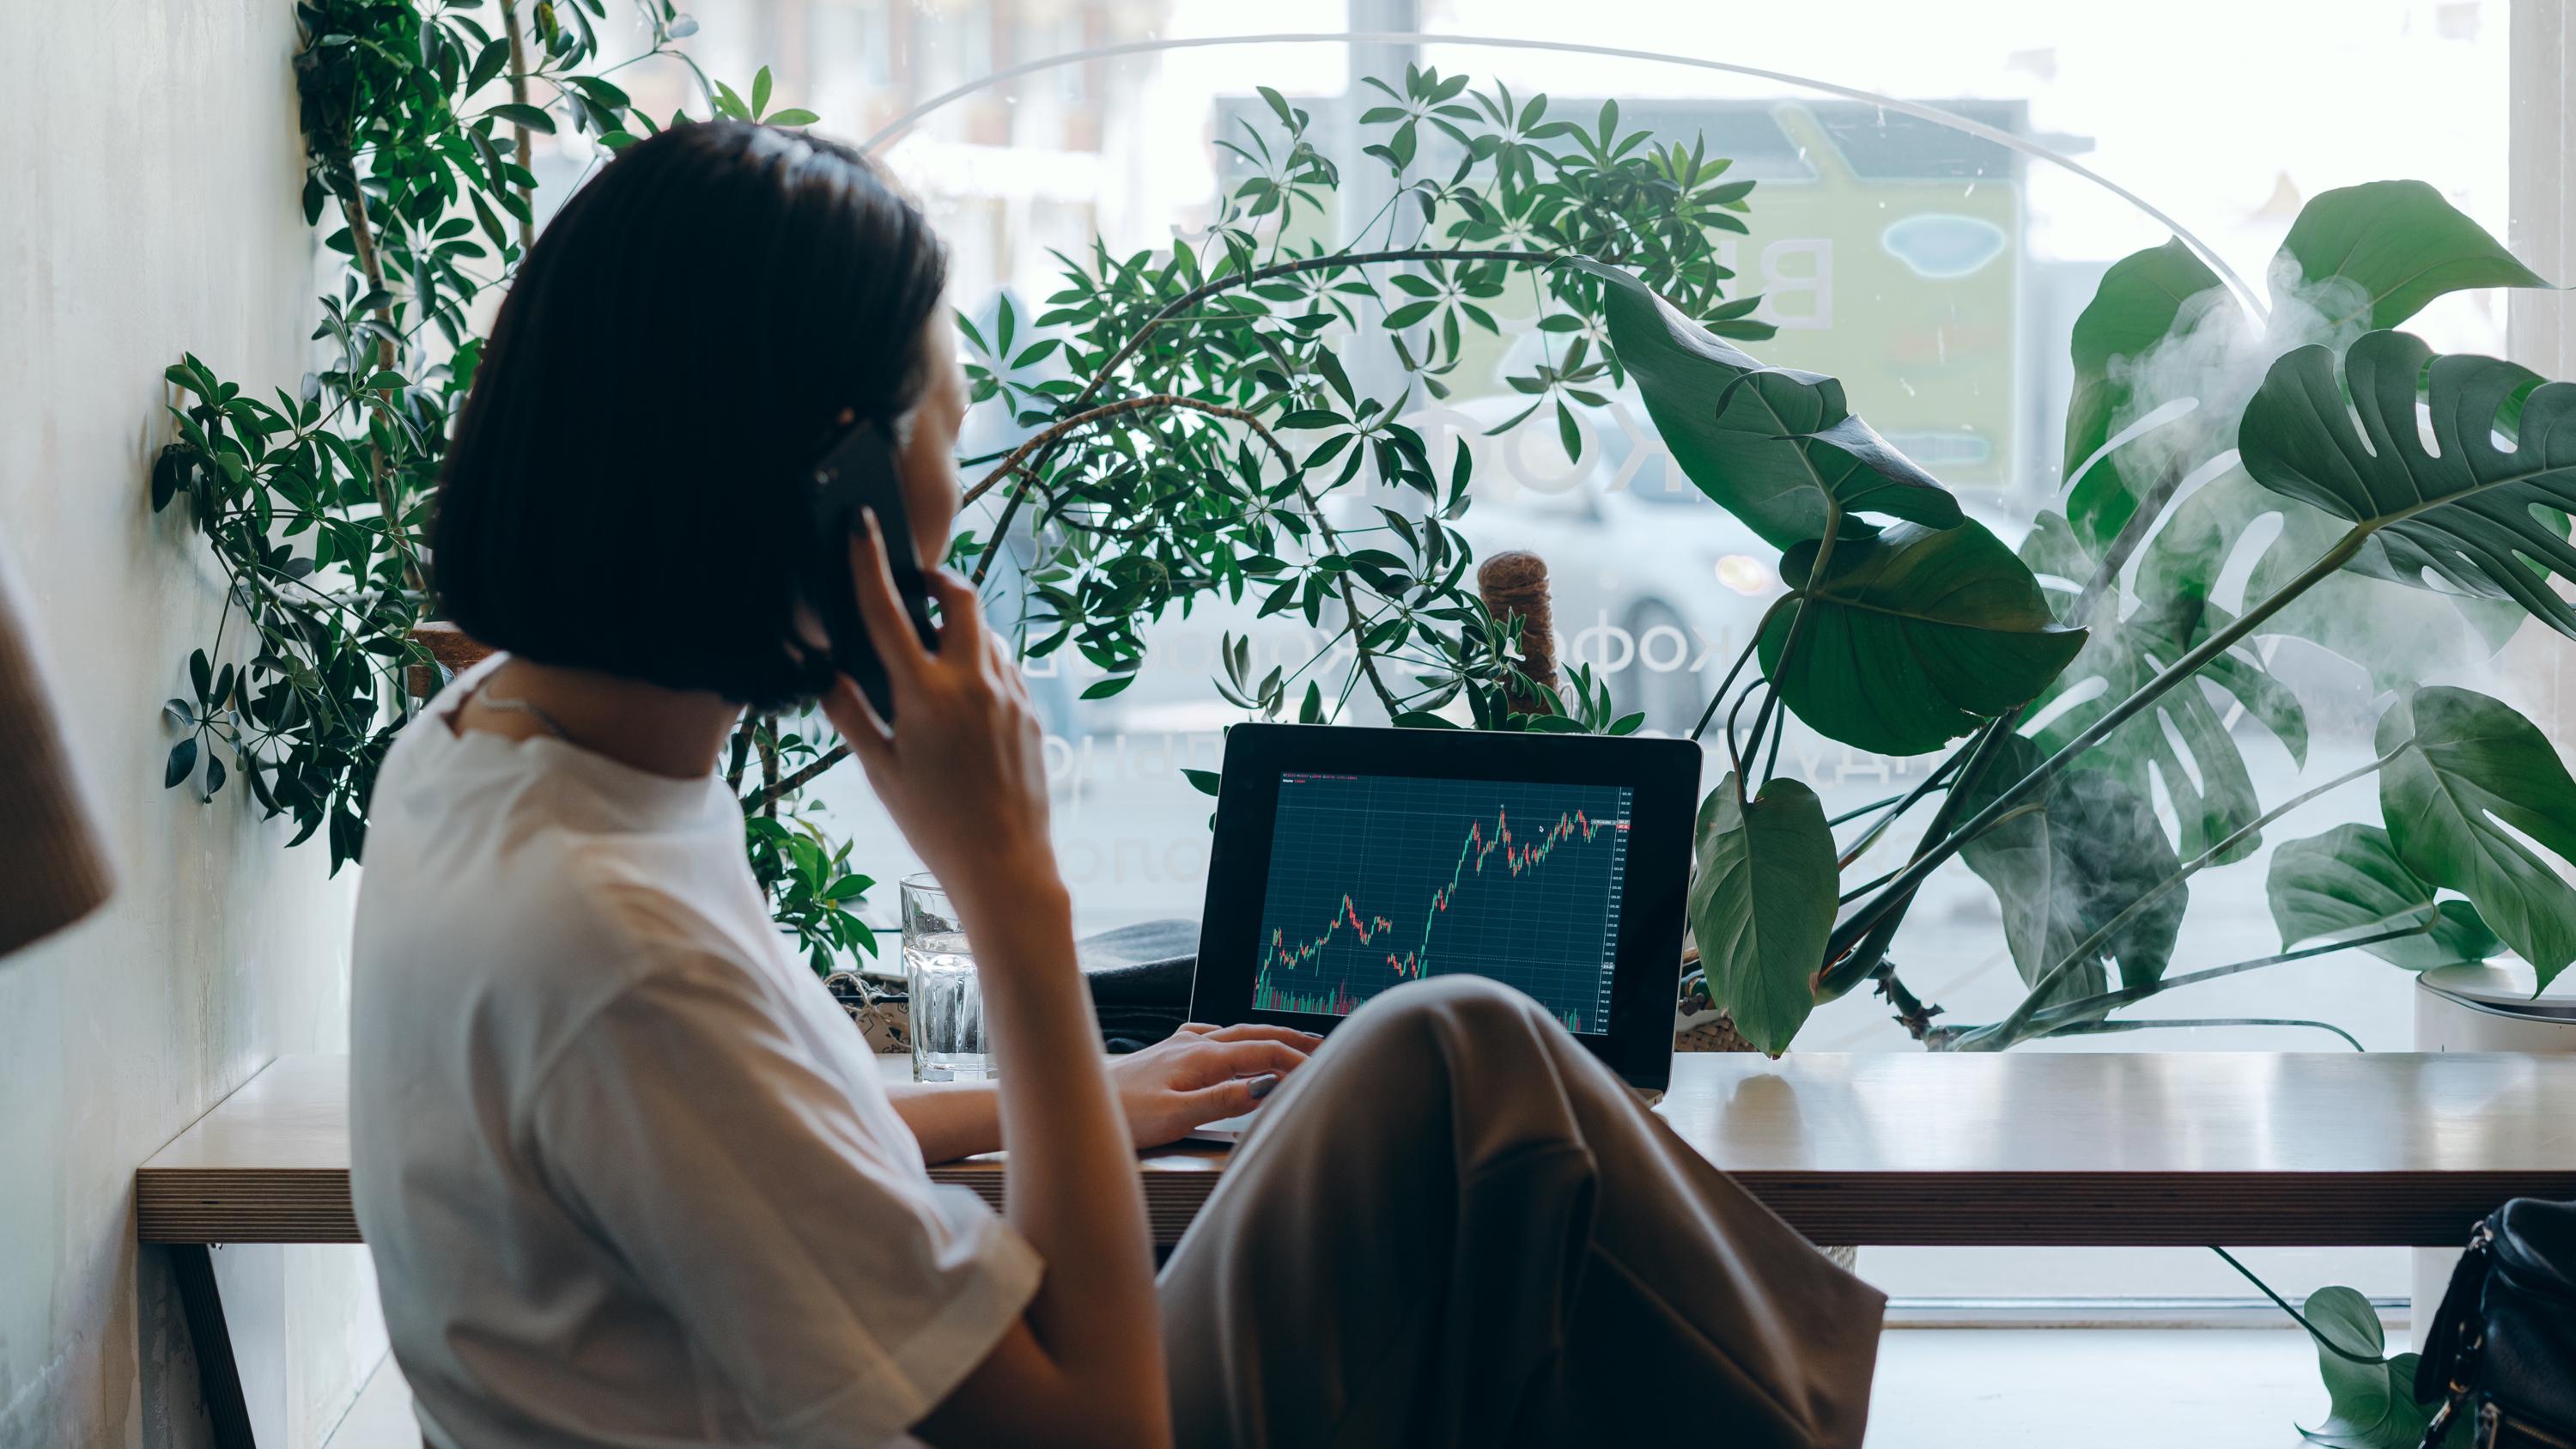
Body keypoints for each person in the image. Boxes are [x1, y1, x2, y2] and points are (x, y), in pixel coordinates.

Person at [349, 119, 1883, 1449]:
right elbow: (1103, 1434)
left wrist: (1080, 1094)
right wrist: (1010, 889)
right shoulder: (618, 953)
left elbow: (738, 1139)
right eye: (951, 412)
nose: (969, 458)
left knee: (1455, 1051)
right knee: (1499, 1158)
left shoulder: (493, 746)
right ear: (842, 493)